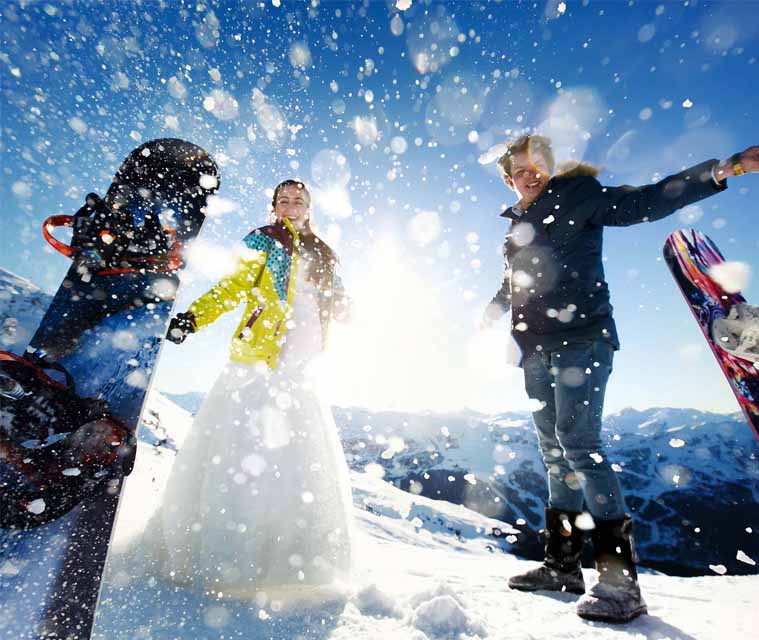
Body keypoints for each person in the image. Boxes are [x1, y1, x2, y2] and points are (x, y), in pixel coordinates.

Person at [482, 135, 759, 623]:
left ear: (550, 166)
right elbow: (516, 279)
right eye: (519, 169)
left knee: (579, 443)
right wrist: (496, 307)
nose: (530, 173)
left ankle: (619, 584)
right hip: (533, 349)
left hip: (582, 339)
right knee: (552, 452)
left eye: (538, 164)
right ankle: (562, 567)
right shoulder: (517, 226)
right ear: (508, 179)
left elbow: (643, 202)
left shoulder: (579, 195)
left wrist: (723, 170)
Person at [157, 179, 353, 600]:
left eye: (299, 200)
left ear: (310, 206)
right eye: (284, 199)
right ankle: (227, 551)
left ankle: (290, 555)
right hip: (260, 350)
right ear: (274, 205)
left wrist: (344, 306)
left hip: (304, 353)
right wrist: (194, 317)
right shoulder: (263, 240)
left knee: (294, 446)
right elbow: (233, 286)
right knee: (243, 441)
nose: (291, 205)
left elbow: (336, 297)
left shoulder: (322, 250)